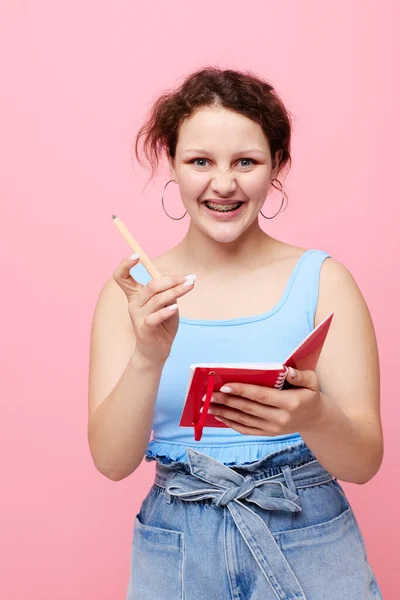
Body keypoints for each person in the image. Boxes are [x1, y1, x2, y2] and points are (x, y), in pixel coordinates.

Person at [88, 67, 384, 599]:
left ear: (277, 167)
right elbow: (112, 463)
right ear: (172, 167)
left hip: (307, 533)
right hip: (177, 542)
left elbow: (363, 463)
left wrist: (313, 414)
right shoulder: (131, 294)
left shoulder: (325, 281)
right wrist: (148, 357)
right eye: (199, 161)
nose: (223, 184)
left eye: (245, 161)